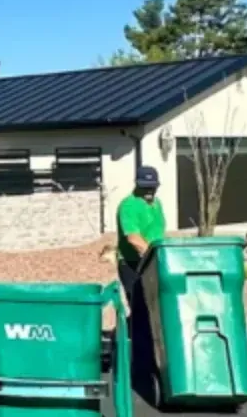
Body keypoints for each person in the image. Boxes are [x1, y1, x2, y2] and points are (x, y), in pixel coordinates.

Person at [115, 165, 167, 402]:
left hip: (154, 262)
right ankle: (138, 367)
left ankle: (137, 346)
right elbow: (133, 238)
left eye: (151, 188)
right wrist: (151, 256)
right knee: (140, 312)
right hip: (132, 264)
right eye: (144, 187)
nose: (148, 192)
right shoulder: (128, 205)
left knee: (153, 310)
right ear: (137, 185)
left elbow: (159, 234)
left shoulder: (157, 205)